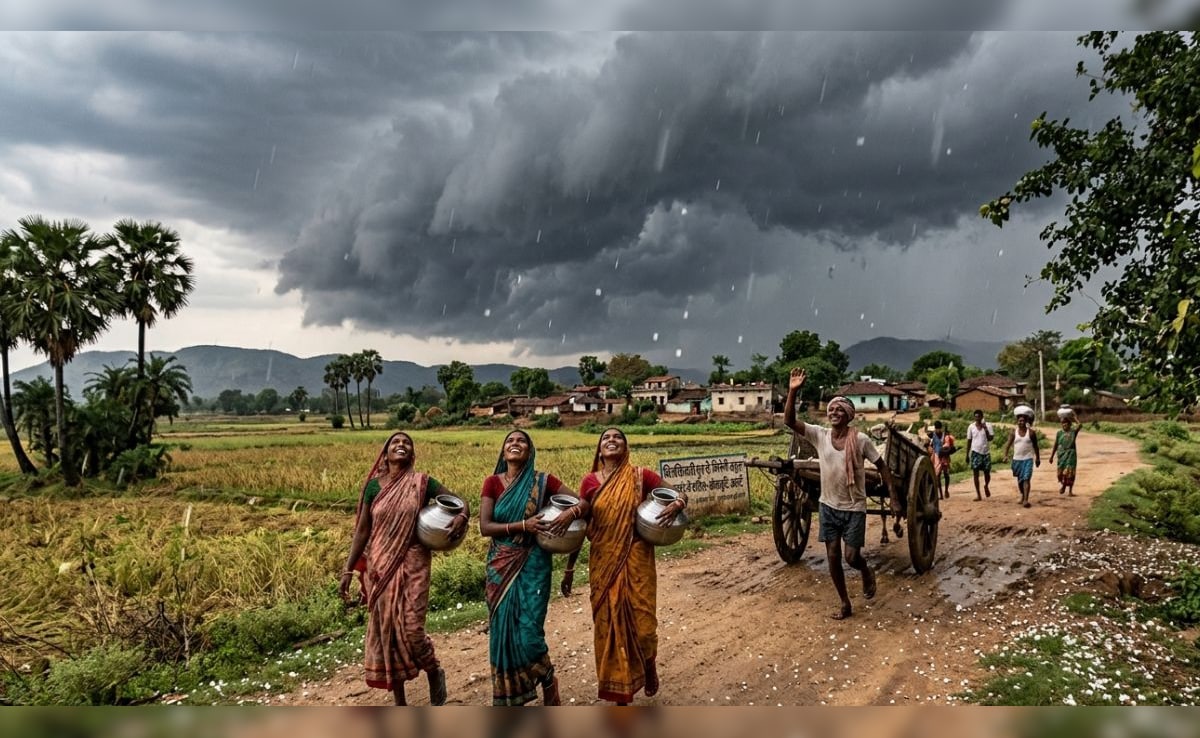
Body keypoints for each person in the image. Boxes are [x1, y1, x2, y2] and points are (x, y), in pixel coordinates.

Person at [339, 431, 469, 706]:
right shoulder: (374, 487)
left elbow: (460, 503)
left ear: (412, 454)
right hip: (380, 567)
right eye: (394, 443)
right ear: (384, 454)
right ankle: (400, 703)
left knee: (411, 630)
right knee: (387, 632)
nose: (401, 445)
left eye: (406, 443)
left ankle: (433, 669)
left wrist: (462, 517)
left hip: (414, 562)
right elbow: (362, 531)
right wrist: (348, 570)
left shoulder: (422, 483)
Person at [577, 426, 685, 705]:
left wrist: (678, 503)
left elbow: (676, 494)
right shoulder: (589, 482)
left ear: (626, 448)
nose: (611, 441)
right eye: (606, 438)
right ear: (599, 450)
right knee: (610, 626)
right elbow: (580, 524)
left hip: (637, 559)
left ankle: (649, 664)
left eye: (618, 438)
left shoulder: (641, 476)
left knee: (644, 628)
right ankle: (621, 694)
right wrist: (567, 569)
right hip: (603, 562)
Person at [478, 430, 587, 706]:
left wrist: (569, 513)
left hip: (534, 563)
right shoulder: (492, 483)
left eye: (521, 441)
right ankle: (511, 697)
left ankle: (547, 676)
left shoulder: (543, 481)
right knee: (503, 632)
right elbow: (485, 527)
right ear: (503, 452)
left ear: (530, 451)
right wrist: (523, 526)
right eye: (510, 441)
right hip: (500, 565)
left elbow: (584, 504)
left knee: (529, 635)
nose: (515, 444)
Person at [783, 368, 900, 621]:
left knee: (852, 557)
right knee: (833, 556)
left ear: (848, 416)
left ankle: (865, 570)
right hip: (828, 506)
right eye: (831, 409)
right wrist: (793, 391)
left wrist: (894, 495)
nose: (834, 413)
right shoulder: (820, 435)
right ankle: (845, 603)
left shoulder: (861, 441)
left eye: (840, 410)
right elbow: (789, 422)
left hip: (854, 507)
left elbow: (882, 467)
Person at [1001, 412, 1041, 508]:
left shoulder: (1031, 433)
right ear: (1017, 422)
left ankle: (1026, 500)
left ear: (1026, 422)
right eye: (1019, 421)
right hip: (1017, 460)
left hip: (1028, 459)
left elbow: (1036, 447)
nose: (1021, 423)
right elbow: (1008, 445)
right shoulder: (1013, 432)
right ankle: (1023, 495)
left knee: (1026, 478)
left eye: (1023, 421)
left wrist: (1038, 458)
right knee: (1020, 480)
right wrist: (1005, 455)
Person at [965, 410, 995, 501]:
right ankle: (978, 494)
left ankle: (986, 485)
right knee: (975, 473)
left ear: (982, 417)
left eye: (979, 416)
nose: (977, 418)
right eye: (975, 416)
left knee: (987, 473)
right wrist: (967, 454)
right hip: (975, 452)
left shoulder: (988, 425)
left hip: (985, 452)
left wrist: (985, 428)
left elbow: (990, 438)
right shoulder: (971, 427)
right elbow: (969, 441)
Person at [1048, 414, 1080, 496]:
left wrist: (1075, 418)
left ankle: (1070, 491)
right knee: (1060, 474)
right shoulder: (1059, 433)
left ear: (1069, 424)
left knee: (1069, 473)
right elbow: (1055, 444)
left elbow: (1080, 425)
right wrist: (1051, 456)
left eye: (1066, 423)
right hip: (1061, 455)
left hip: (1071, 455)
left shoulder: (1073, 432)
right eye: (1062, 423)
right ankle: (1064, 485)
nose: (1064, 425)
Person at [925, 420, 956, 500]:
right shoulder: (933, 434)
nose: (937, 430)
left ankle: (946, 490)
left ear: (941, 428)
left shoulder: (945, 435)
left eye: (939, 428)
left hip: (944, 456)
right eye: (936, 428)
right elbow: (926, 433)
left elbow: (948, 445)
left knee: (946, 474)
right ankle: (941, 494)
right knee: (937, 476)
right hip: (936, 457)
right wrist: (926, 425)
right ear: (935, 428)